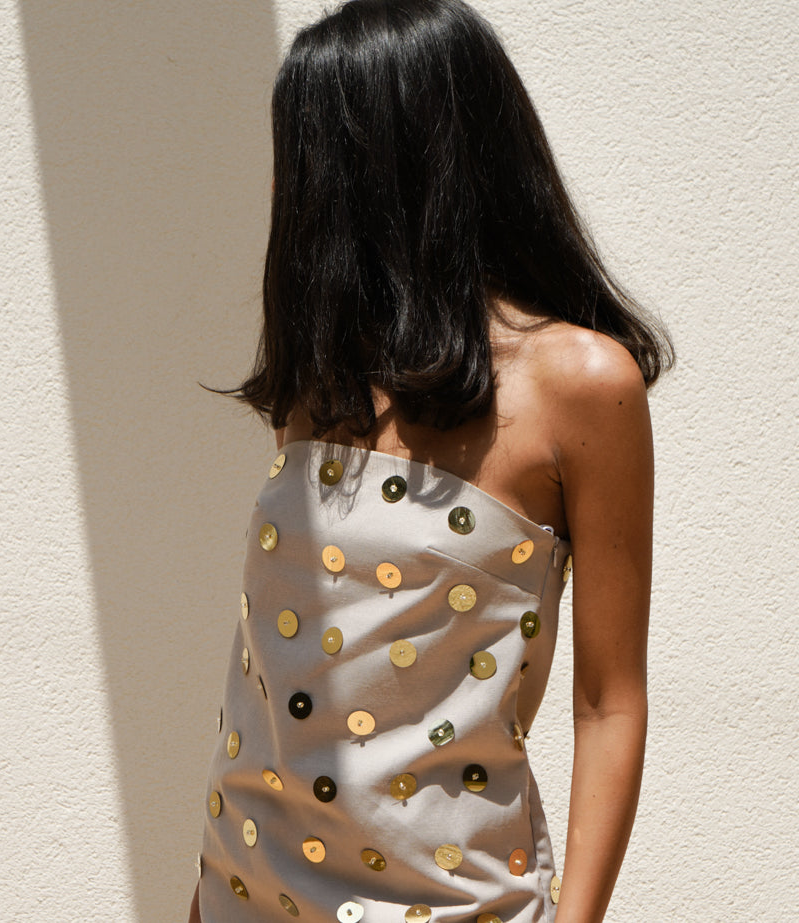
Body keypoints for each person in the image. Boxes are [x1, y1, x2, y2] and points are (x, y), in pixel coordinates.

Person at [190, 1, 671, 920]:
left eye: (315, 157)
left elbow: (610, 701)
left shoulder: (580, 383)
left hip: (454, 902)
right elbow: (261, 684)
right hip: (243, 889)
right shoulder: (322, 380)